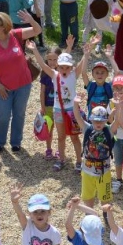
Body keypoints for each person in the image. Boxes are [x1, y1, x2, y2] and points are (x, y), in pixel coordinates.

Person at [0, 10, 42, 152]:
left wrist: (31, 19)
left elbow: (37, 30)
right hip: (4, 87)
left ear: (3, 26)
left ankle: (16, 142)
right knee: (3, 116)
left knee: (19, 114)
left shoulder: (16, 34)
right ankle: (0, 142)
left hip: (23, 84)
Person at [30, 39, 88, 171]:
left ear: (71, 67)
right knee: (61, 137)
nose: (64, 69)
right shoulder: (54, 75)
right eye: (61, 66)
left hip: (72, 111)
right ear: (57, 66)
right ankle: (61, 160)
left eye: (67, 67)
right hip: (58, 110)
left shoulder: (74, 74)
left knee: (74, 137)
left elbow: (82, 63)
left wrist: (87, 52)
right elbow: (42, 65)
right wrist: (34, 50)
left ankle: (79, 161)